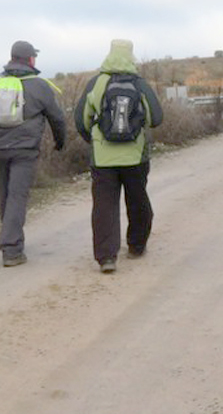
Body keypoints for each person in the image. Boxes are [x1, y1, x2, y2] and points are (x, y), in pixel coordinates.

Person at [0, 40, 66, 267]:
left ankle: (10, 238)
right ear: (30, 59)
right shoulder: (40, 85)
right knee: (17, 196)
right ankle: (11, 249)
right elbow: (57, 118)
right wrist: (60, 142)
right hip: (25, 150)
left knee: (6, 195)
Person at [74, 39, 163, 274]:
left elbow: (80, 120)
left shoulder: (97, 83)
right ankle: (136, 245)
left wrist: (94, 140)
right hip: (135, 156)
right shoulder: (139, 84)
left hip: (103, 158)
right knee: (137, 199)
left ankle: (106, 258)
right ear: (131, 56)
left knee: (104, 205)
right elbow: (157, 117)